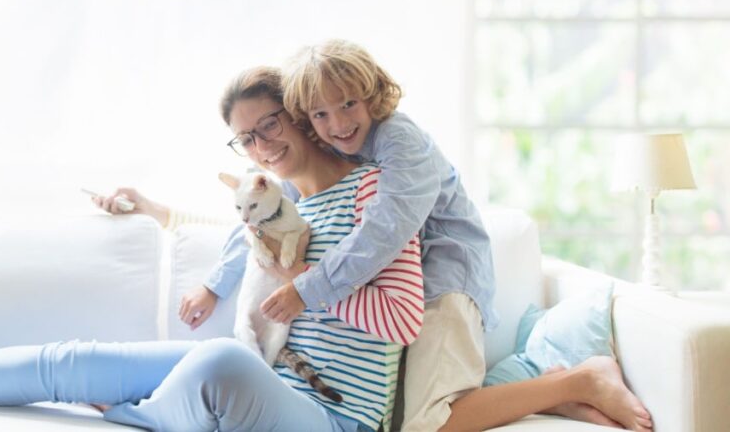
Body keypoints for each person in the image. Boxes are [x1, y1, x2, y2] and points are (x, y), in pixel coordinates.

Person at [0, 66, 422, 432]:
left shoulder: (377, 189)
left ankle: (141, 413)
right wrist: (156, 211)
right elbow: (236, 231)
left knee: (217, 361)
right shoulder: (278, 198)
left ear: (299, 115)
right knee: (78, 358)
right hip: (268, 378)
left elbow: (401, 318)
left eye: (270, 126)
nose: (261, 146)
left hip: (334, 416)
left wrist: (304, 278)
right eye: (245, 139)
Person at [184, 39, 652, 432]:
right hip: (401, 285)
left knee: (432, 423)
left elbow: (385, 230)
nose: (339, 122)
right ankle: (549, 392)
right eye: (322, 114)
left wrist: (309, 288)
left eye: (349, 104)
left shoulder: (400, 142)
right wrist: (213, 283)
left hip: (445, 279)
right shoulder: (331, 145)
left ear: (375, 94)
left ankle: (581, 380)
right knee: (408, 410)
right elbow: (260, 219)